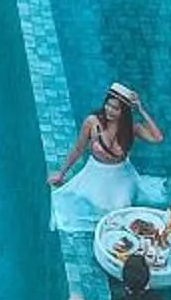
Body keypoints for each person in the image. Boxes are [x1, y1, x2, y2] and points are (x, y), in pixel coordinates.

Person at [49, 82, 163, 228]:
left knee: (121, 211)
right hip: (96, 173)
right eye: (108, 105)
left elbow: (158, 138)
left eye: (115, 108)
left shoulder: (132, 128)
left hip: (121, 175)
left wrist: (140, 109)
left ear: (124, 111)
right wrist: (62, 173)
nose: (109, 110)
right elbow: (78, 148)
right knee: (92, 207)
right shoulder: (92, 122)